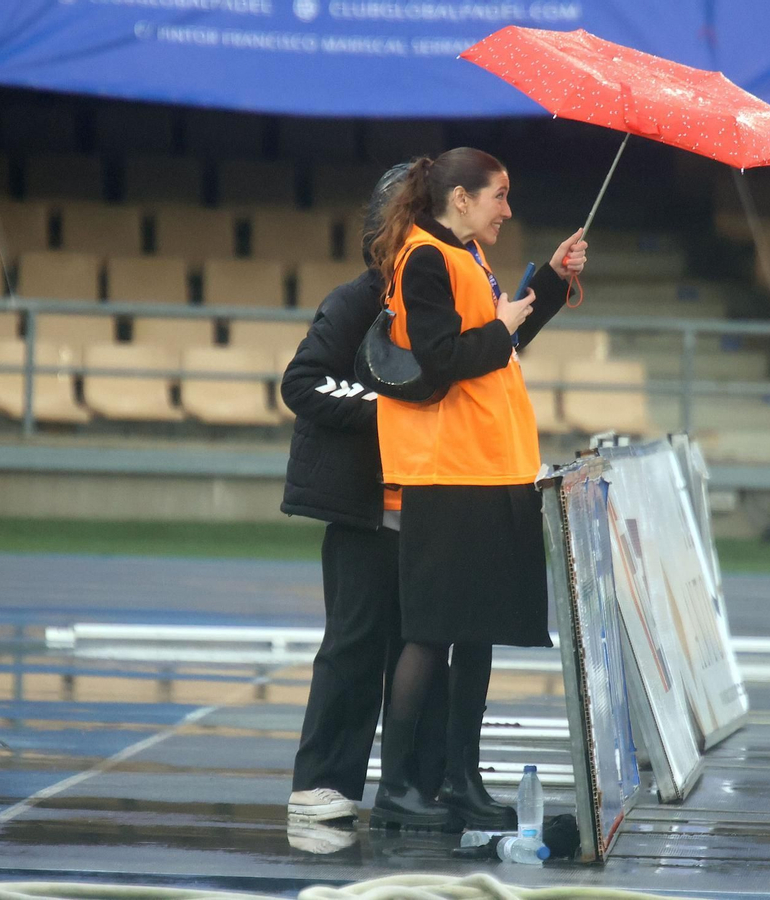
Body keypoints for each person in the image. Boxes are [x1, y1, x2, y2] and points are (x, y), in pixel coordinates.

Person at [366, 148, 586, 829]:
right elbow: (444, 360)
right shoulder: (425, 258)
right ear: (461, 198)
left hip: (490, 463)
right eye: (499, 195)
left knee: (476, 632)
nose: (507, 208)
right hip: (449, 469)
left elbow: (500, 349)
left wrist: (548, 282)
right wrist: (502, 326)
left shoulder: (467, 257)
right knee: (432, 634)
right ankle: (398, 788)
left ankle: (462, 778)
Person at [281, 164, 446, 825]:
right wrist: (385, 409)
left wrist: (546, 288)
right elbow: (302, 383)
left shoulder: (443, 304)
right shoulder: (356, 300)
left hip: (431, 512)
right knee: (354, 645)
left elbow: (492, 350)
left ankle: (416, 787)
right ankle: (320, 782)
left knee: (429, 649)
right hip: (362, 513)